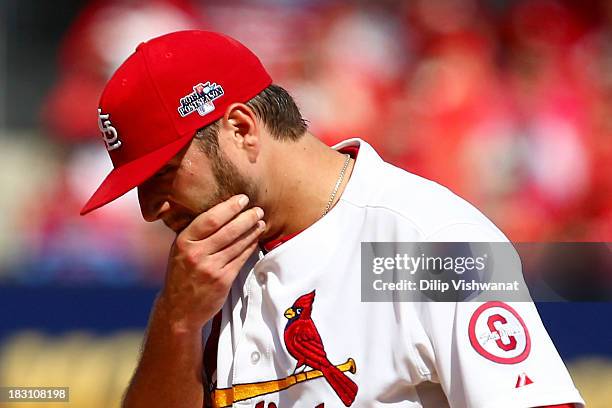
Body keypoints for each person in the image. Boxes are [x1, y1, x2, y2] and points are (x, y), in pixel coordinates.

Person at [81, 30, 584, 408]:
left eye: (163, 174)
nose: (150, 209)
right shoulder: (206, 271)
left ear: (240, 128)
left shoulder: (430, 243)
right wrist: (176, 322)